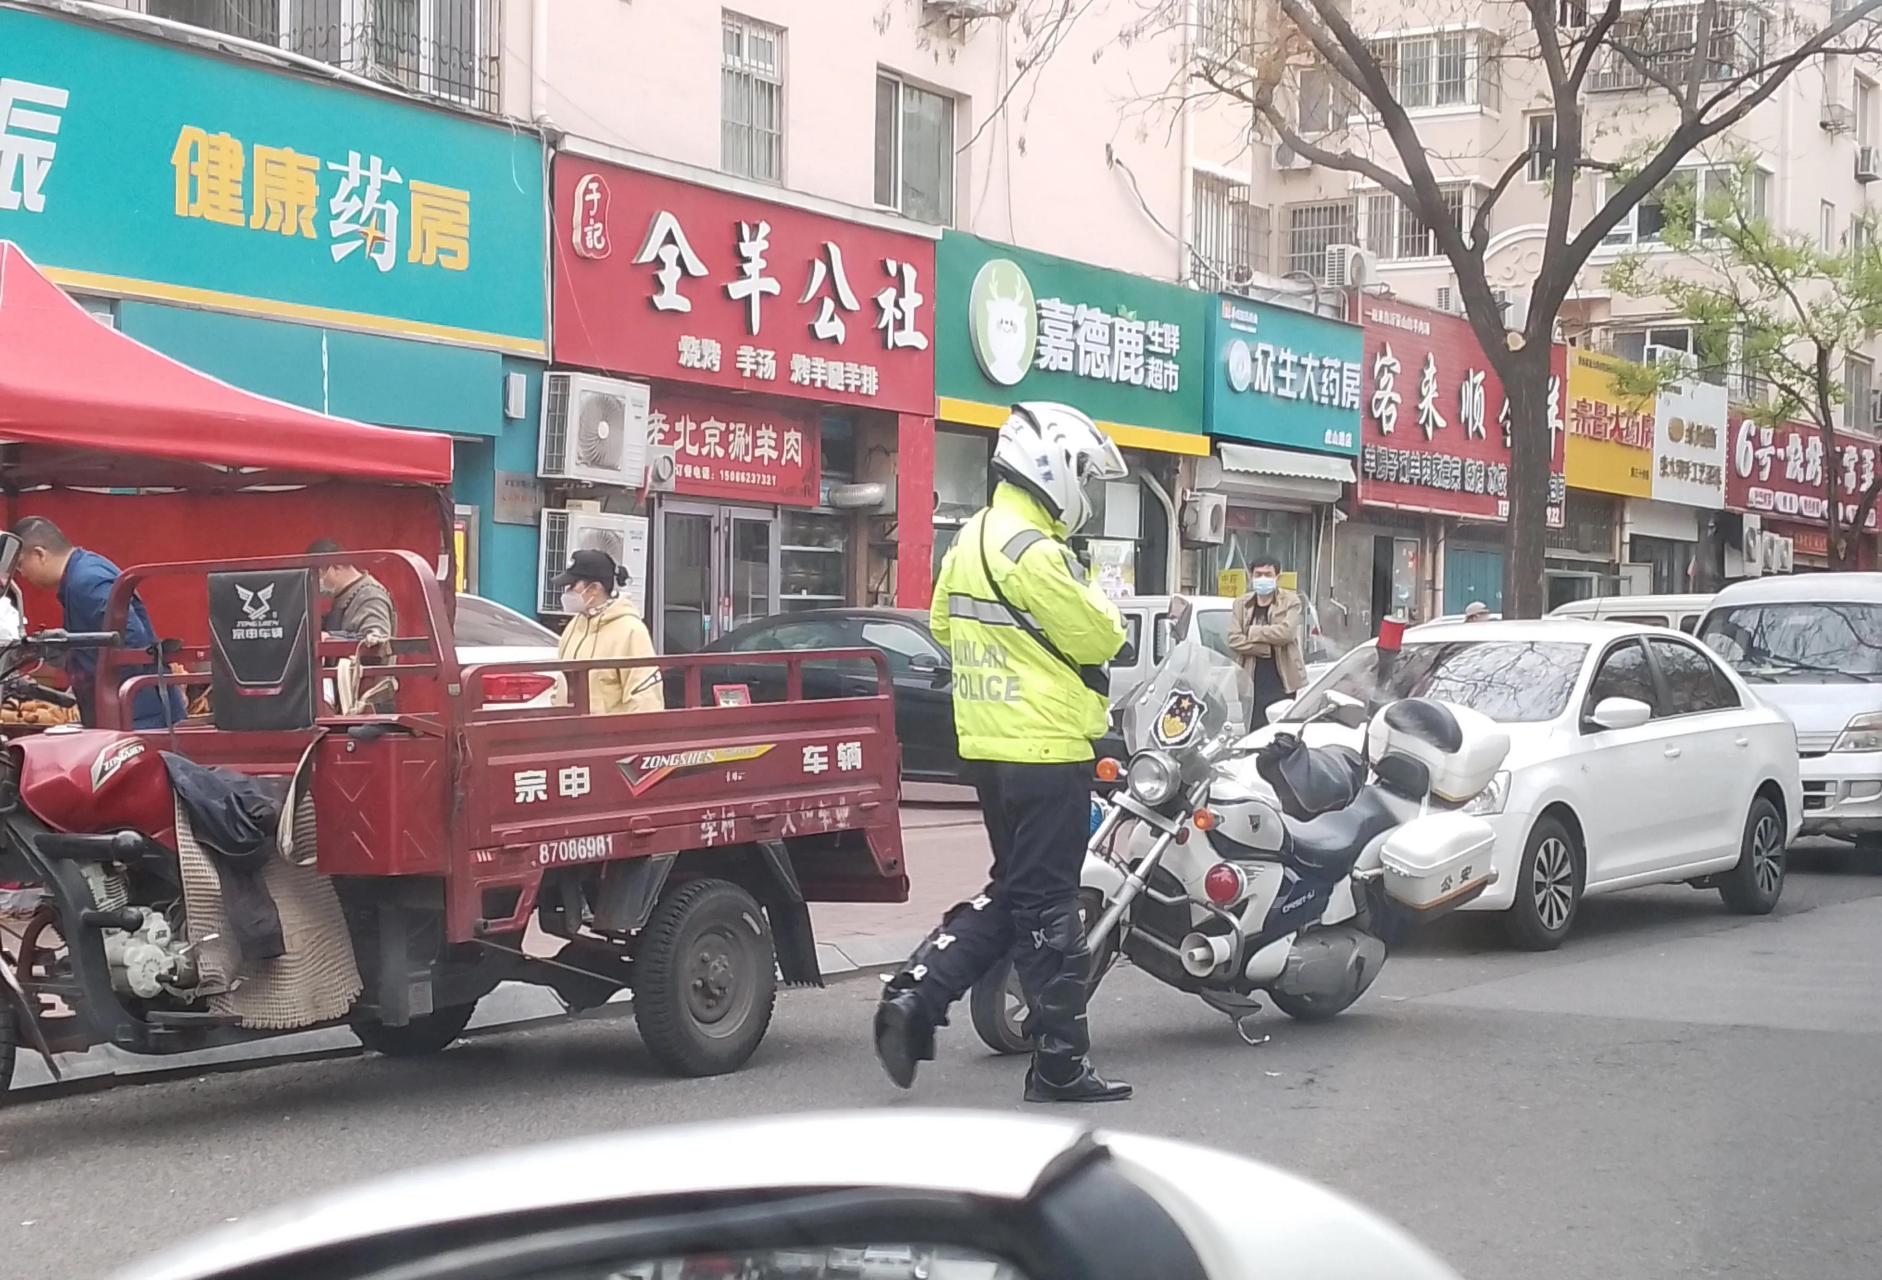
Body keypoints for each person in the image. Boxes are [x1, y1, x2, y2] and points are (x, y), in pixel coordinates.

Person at [875, 401, 1132, 1105]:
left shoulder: (968, 542)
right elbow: (1103, 637)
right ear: (1050, 467)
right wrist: (1099, 597)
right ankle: (1059, 1065)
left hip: (986, 750)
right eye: (1082, 471)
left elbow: (942, 630)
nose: (1086, 487)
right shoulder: (1037, 552)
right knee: (1049, 910)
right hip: (1048, 749)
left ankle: (917, 996)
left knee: (1016, 890)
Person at [10, 517, 184, 729]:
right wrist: (71, 647)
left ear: (40, 554)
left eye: (21, 566)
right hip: (129, 712)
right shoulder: (81, 573)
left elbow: (130, 640)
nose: (23, 575)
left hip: (140, 715)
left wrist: (78, 657)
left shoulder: (86, 581)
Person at [554, 548, 663, 715]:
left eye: (572, 585)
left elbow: (644, 697)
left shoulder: (630, 631)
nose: (566, 592)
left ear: (595, 588)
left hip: (609, 737)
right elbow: (561, 683)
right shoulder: (575, 625)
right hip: (570, 735)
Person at [1227, 554, 1307, 730]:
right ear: (1251, 576)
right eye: (1258, 574)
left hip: (1282, 680)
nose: (1263, 578)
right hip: (1249, 679)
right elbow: (1233, 639)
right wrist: (1265, 648)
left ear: (1277, 576)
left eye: (1268, 574)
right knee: (1253, 730)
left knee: (1279, 731)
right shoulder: (1241, 604)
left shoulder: (1290, 601)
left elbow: (1286, 633)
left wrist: (1253, 632)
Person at [307, 540, 397, 642]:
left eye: (318, 575)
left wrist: (329, 638)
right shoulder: (345, 595)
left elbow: (376, 639)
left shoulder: (371, 596)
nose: (317, 581)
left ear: (337, 565)